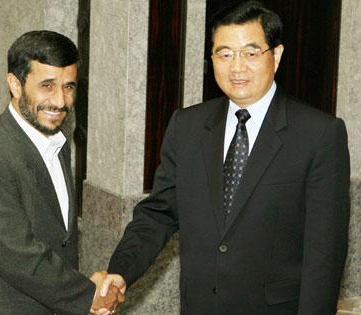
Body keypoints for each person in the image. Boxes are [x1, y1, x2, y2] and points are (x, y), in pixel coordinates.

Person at [99, 1, 351, 314]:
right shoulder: (187, 125)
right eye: (225, 53)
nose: (237, 67)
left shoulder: (319, 134)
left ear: (277, 55)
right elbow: (158, 213)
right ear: (212, 58)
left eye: (250, 52)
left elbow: (324, 256)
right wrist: (121, 272)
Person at [0, 30, 123, 315]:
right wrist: (88, 295)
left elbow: (59, 241)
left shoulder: (57, 144)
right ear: (15, 85)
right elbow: (18, 256)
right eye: (47, 86)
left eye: (68, 87)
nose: (60, 101)